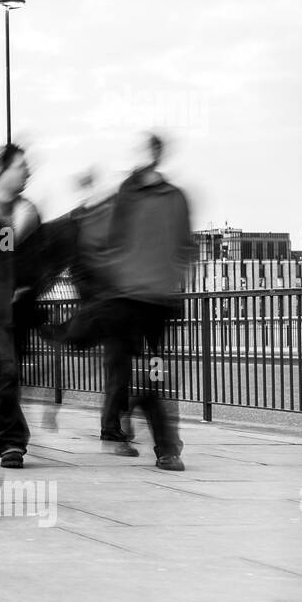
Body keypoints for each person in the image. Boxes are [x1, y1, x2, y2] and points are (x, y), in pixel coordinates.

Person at [95, 133, 195, 470]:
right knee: (139, 372)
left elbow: (185, 245)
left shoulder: (175, 197)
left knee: (157, 375)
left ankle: (165, 443)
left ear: (156, 154)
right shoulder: (128, 192)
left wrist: (169, 277)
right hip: (129, 299)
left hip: (158, 302)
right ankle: (163, 444)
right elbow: (114, 239)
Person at [0, 144, 40, 469]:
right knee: (6, 372)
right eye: (20, 167)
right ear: (1, 170)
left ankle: (8, 436)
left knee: (7, 375)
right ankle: (11, 441)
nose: (28, 172)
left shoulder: (27, 212)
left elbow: (27, 257)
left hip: (14, 307)